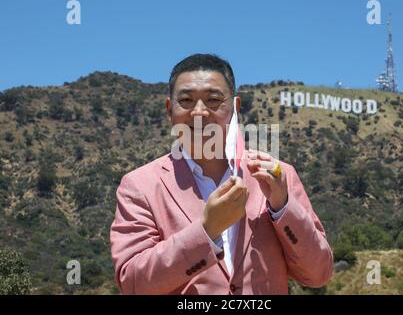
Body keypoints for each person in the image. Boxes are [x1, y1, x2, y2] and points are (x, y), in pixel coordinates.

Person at [110, 54, 333, 295]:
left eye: (213, 100)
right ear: (169, 109)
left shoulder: (278, 176)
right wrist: (206, 230)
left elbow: (318, 273)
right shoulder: (139, 186)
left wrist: (283, 207)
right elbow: (133, 283)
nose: (199, 112)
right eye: (186, 100)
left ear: (235, 107)